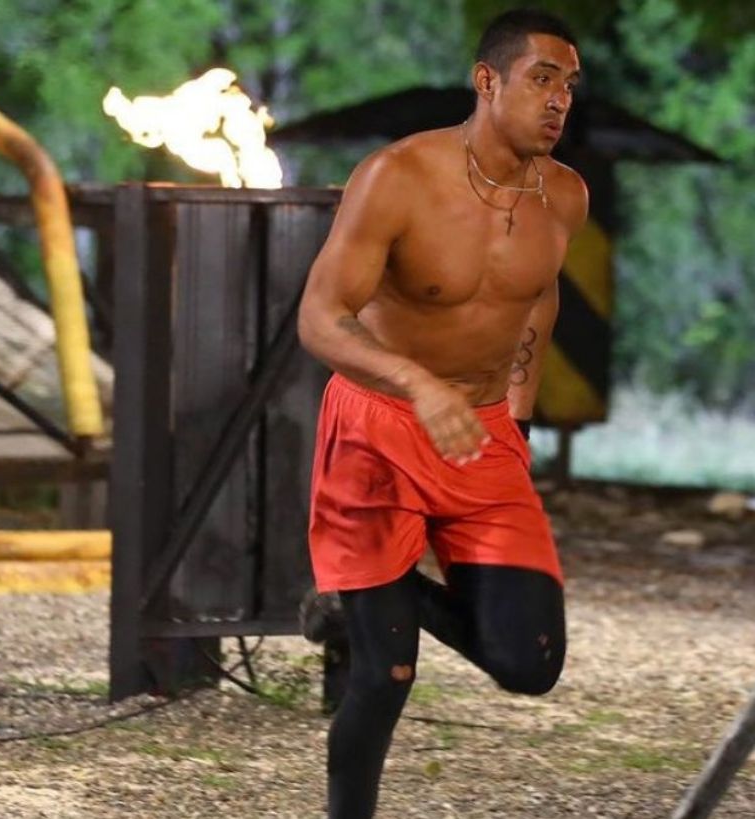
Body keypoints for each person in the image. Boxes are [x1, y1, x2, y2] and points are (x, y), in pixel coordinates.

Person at [296, 9, 587, 817]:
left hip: (481, 431)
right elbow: (320, 318)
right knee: (385, 675)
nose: (559, 100)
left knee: (531, 661)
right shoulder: (397, 176)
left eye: (568, 86)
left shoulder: (565, 196)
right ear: (487, 80)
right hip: (379, 425)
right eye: (542, 79)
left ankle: (352, 594)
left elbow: (537, 298)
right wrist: (416, 384)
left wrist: (517, 420)